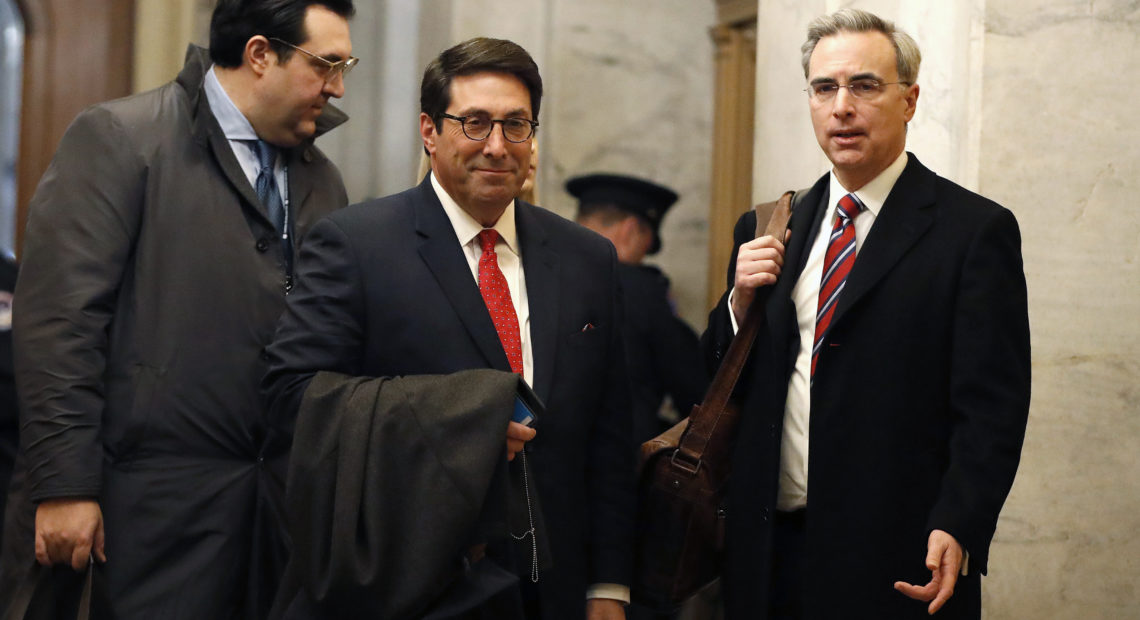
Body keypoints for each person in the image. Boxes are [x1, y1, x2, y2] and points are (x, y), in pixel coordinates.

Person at [0, 0, 356, 617]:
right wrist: (64, 487)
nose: (338, 86)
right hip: (139, 513)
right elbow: (60, 325)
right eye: (326, 64)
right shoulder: (121, 139)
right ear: (260, 55)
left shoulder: (322, 179)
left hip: (272, 518)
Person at [263, 37, 633, 619]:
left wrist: (609, 586)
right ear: (430, 131)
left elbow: (610, 434)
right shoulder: (358, 245)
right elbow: (291, 399)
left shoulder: (588, 257)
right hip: (416, 581)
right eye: (475, 123)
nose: (497, 146)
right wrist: (462, 414)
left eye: (516, 125)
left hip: (554, 586)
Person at [701, 9, 1030, 620]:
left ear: (910, 99)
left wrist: (960, 521)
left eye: (865, 86)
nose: (842, 107)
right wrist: (737, 304)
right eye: (824, 88)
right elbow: (721, 383)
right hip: (767, 556)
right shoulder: (772, 224)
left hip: (895, 559)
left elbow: (994, 405)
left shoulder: (972, 232)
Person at [568, 174, 706, 445]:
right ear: (631, 230)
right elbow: (693, 388)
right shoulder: (642, 289)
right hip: (619, 461)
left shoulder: (542, 273)